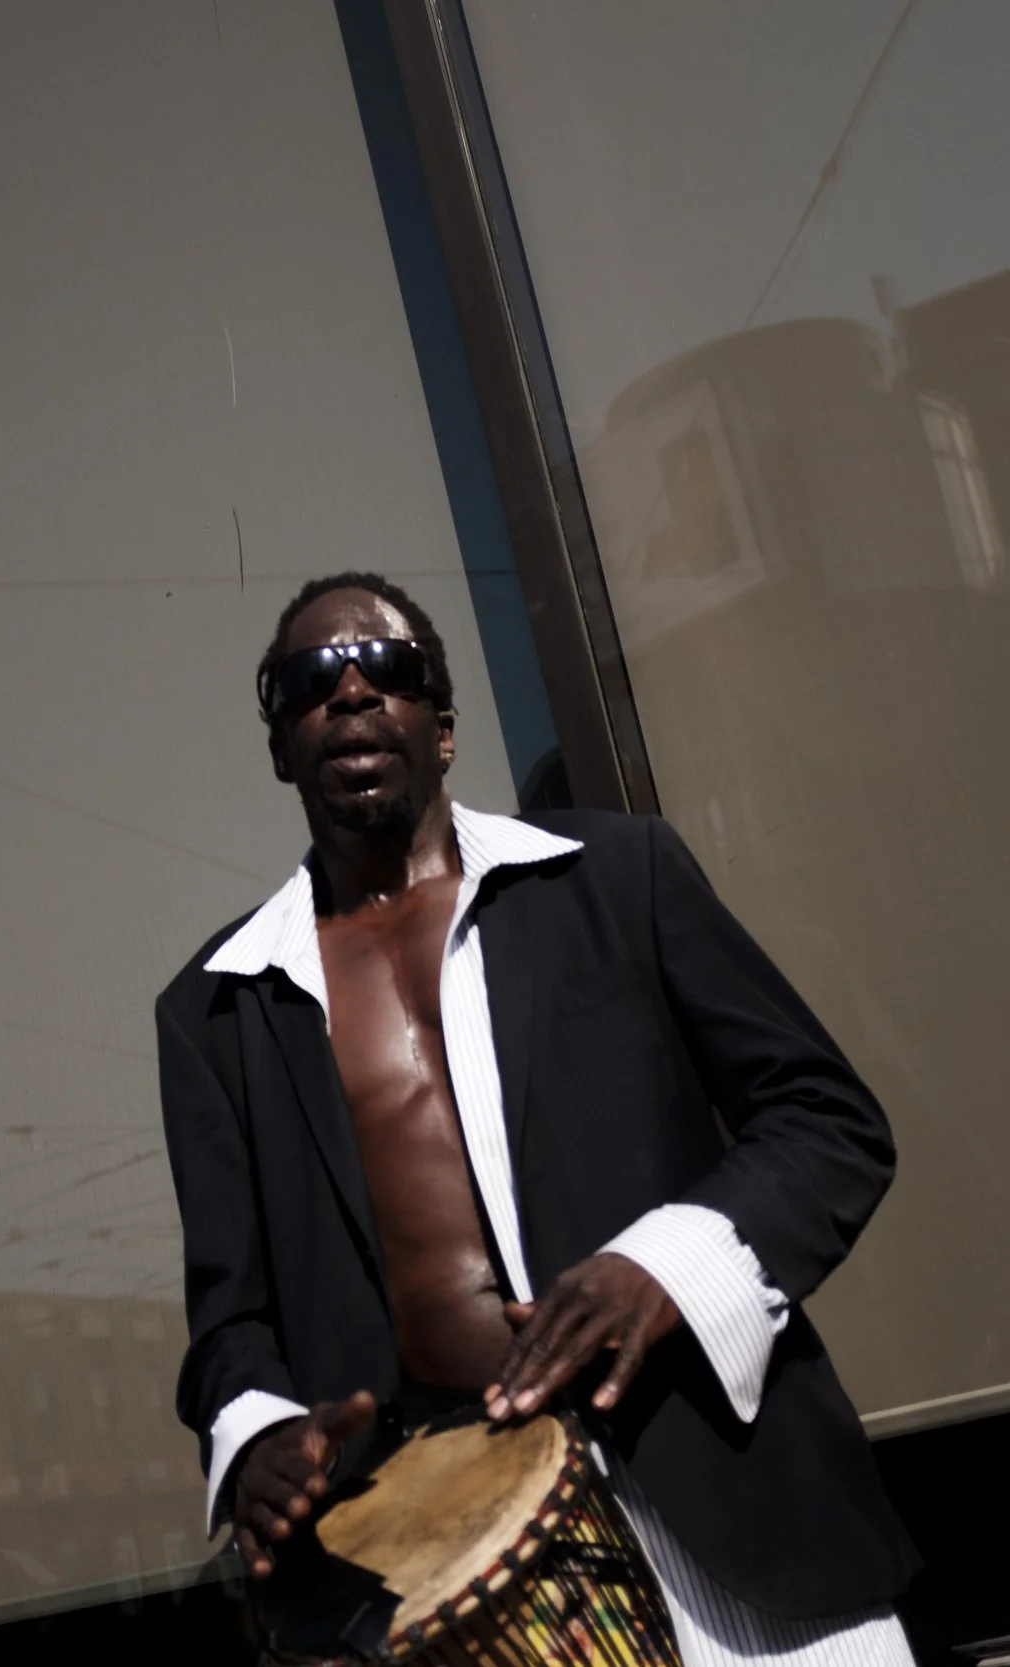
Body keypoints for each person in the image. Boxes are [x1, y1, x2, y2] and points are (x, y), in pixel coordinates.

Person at [155, 572, 919, 1664]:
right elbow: (231, 1319)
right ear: (280, 745)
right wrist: (256, 1434)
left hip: (722, 1483)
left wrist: (663, 1266)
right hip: (463, 1560)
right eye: (310, 681)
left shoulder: (617, 877)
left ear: (444, 726)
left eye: (390, 667)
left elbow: (826, 1119)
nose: (353, 690)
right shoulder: (219, 1006)